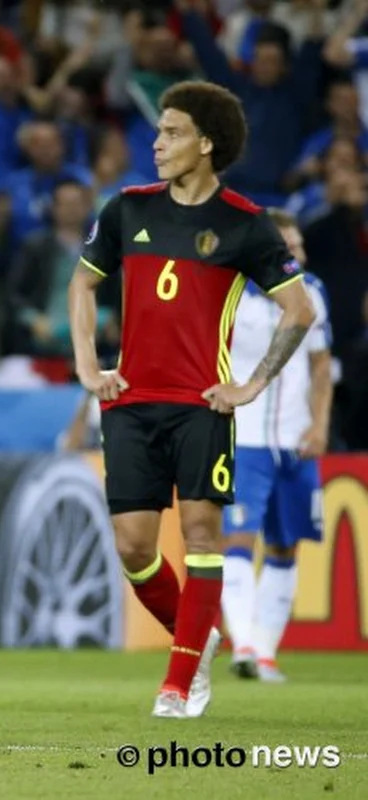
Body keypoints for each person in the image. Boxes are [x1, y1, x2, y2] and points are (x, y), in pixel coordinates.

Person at [68, 79, 316, 719]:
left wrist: (252, 384)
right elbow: (82, 287)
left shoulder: (245, 223)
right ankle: (196, 636)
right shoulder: (127, 208)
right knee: (132, 548)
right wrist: (89, 365)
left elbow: (300, 308)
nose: (157, 143)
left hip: (203, 404)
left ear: (207, 143)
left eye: (172, 132)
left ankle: (180, 683)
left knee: (203, 535)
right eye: (158, 131)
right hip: (130, 401)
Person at [222, 208, 332, 683]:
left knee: (287, 545)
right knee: (239, 539)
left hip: (294, 437)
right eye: (289, 247)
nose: (299, 256)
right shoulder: (231, 295)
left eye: (301, 247)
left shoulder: (314, 294)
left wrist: (319, 425)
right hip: (243, 437)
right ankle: (243, 643)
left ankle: (264, 652)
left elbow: (323, 367)